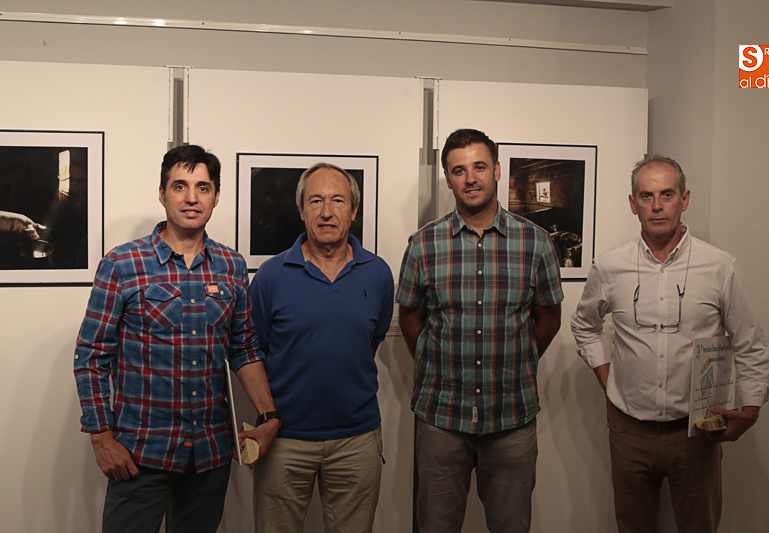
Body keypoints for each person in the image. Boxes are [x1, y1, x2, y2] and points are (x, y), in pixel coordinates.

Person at [74, 145, 280, 533]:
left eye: (203, 188)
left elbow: (243, 348)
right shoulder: (123, 264)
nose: (191, 197)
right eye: (180, 186)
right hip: (139, 454)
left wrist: (268, 415)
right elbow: (91, 356)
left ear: (216, 196)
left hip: (209, 454)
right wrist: (102, 439)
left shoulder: (231, 265)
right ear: (162, 193)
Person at [570, 155, 769, 533]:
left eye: (667, 194)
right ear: (633, 204)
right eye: (646, 196)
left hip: (696, 430)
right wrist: (607, 378)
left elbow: (749, 341)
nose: (657, 205)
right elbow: (584, 325)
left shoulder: (719, 266)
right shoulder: (610, 266)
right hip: (629, 432)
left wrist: (751, 406)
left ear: (685, 198)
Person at [396, 128, 564, 533]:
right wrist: (441, 364)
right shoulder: (423, 244)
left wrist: (515, 361)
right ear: (448, 179)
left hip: (511, 420)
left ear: (498, 171)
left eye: (479, 167)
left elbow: (548, 318)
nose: (470, 178)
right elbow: (410, 318)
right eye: (458, 170)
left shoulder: (536, 243)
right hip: (440, 419)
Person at [247, 162, 394, 532]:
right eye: (315, 201)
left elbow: (370, 342)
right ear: (301, 210)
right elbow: (254, 350)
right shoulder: (270, 277)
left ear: (354, 211)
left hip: (357, 440)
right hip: (284, 440)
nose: (326, 212)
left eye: (338, 200)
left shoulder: (378, 274)